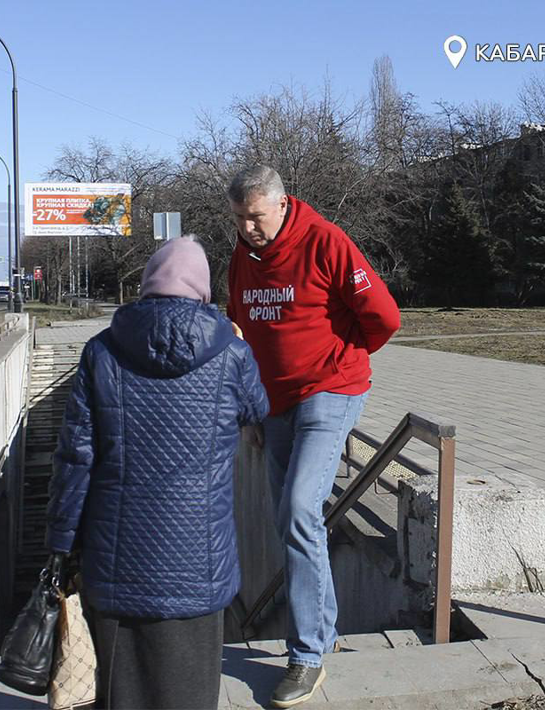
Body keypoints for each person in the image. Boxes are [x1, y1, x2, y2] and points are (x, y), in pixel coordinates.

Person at [46, 236, 270, 710]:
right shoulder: (230, 351)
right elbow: (258, 408)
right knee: (189, 691)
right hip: (199, 560)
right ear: (203, 290)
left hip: (116, 559)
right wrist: (242, 346)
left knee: (120, 690)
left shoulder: (101, 351)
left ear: (147, 284)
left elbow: (75, 457)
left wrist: (61, 543)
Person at [226, 165, 401, 708]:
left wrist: (341, 362)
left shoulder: (327, 242)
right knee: (290, 519)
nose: (249, 228)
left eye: (255, 217)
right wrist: (250, 411)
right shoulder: (241, 258)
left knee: (301, 508)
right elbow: (240, 329)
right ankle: (323, 633)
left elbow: (385, 319)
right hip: (274, 404)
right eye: (239, 219)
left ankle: (305, 656)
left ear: (281, 205)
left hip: (329, 392)